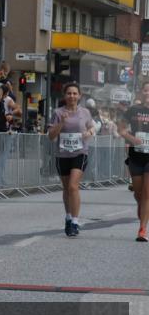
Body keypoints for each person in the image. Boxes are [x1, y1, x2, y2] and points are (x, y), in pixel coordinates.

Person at [47, 82, 96, 237]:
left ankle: (75, 222)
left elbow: (92, 127)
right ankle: (68, 216)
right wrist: (62, 122)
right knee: (67, 188)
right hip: (62, 154)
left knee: (74, 186)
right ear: (64, 96)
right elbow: (51, 136)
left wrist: (90, 132)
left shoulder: (85, 112)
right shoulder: (58, 112)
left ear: (79, 96)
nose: (72, 96)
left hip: (80, 152)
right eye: (69, 93)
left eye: (75, 93)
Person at [120, 82, 149, 242]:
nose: (148, 93)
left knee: (146, 193)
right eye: (145, 90)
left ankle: (142, 230)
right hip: (136, 156)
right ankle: (143, 217)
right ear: (141, 92)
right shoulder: (133, 110)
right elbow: (121, 130)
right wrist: (132, 139)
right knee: (138, 194)